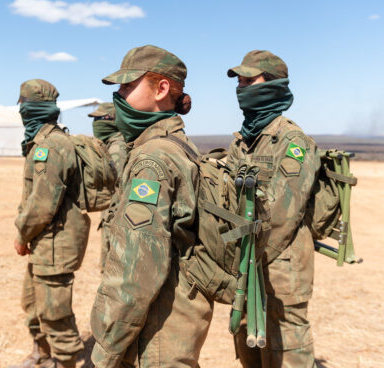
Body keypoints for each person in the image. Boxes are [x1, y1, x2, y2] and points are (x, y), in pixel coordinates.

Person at [90, 45, 212, 368]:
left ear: (161, 90)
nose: (118, 95)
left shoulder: (152, 159)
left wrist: (107, 350)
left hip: (155, 334)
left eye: (128, 86)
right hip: (173, 323)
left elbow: (136, 271)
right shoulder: (176, 144)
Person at [226, 50, 321, 368]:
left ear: (272, 85)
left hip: (280, 270)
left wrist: (247, 256)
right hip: (246, 264)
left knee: (286, 352)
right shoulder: (242, 141)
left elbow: (282, 216)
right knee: (248, 346)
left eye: (248, 80)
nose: (240, 87)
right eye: (239, 81)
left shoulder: (293, 142)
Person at [11, 79, 90, 368]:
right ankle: (42, 355)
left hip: (56, 244)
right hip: (45, 242)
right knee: (33, 305)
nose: (20, 110)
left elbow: (42, 205)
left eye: (22, 105)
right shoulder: (39, 142)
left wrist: (22, 235)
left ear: (30, 108)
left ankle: (66, 361)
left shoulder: (51, 146)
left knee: (55, 313)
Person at [88, 103, 128, 272]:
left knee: (111, 269)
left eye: (100, 118)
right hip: (111, 216)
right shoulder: (110, 145)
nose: (96, 123)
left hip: (116, 219)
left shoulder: (118, 148)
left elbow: (119, 187)